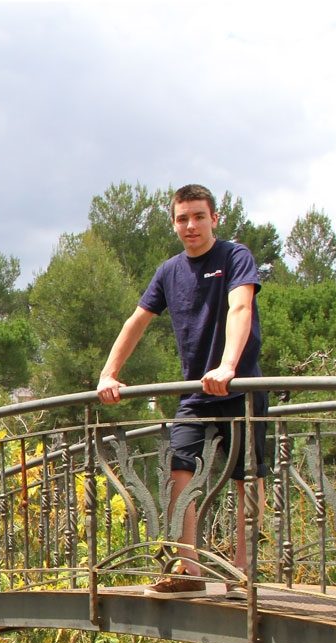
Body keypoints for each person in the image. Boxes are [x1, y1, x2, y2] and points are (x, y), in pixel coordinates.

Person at [96, 183, 267, 600]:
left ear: (214, 219)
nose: (191, 225)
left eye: (198, 216)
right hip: (196, 393)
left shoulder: (234, 256)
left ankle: (244, 573)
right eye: (182, 218)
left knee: (247, 477)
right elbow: (136, 321)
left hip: (240, 387)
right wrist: (109, 373)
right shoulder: (169, 271)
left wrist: (227, 366)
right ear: (174, 224)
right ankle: (188, 569)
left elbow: (240, 307)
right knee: (178, 470)